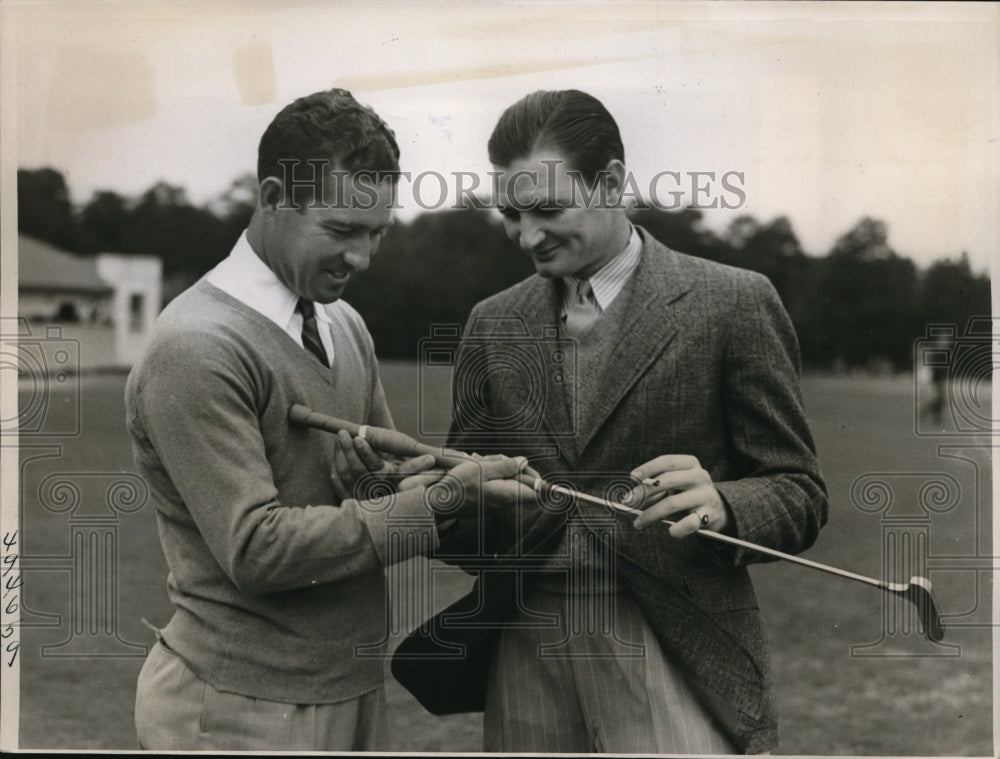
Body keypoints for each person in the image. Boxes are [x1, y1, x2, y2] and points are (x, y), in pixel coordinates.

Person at [391, 90, 829, 754]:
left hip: (676, 640)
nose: (527, 236)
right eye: (511, 214)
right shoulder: (492, 322)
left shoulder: (733, 302)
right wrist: (431, 494)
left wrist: (725, 502)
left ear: (613, 183)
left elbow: (798, 489)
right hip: (525, 643)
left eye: (547, 209)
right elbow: (473, 528)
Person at [124, 88, 531, 752]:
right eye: (341, 230)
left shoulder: (346, 323)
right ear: (274, 197)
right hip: (239, 703)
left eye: (376, 233)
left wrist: (409, 489)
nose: (362, 258)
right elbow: (257, 549)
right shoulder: (197, 347)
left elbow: (379, 504)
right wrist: (435, 500)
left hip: (351, 684)